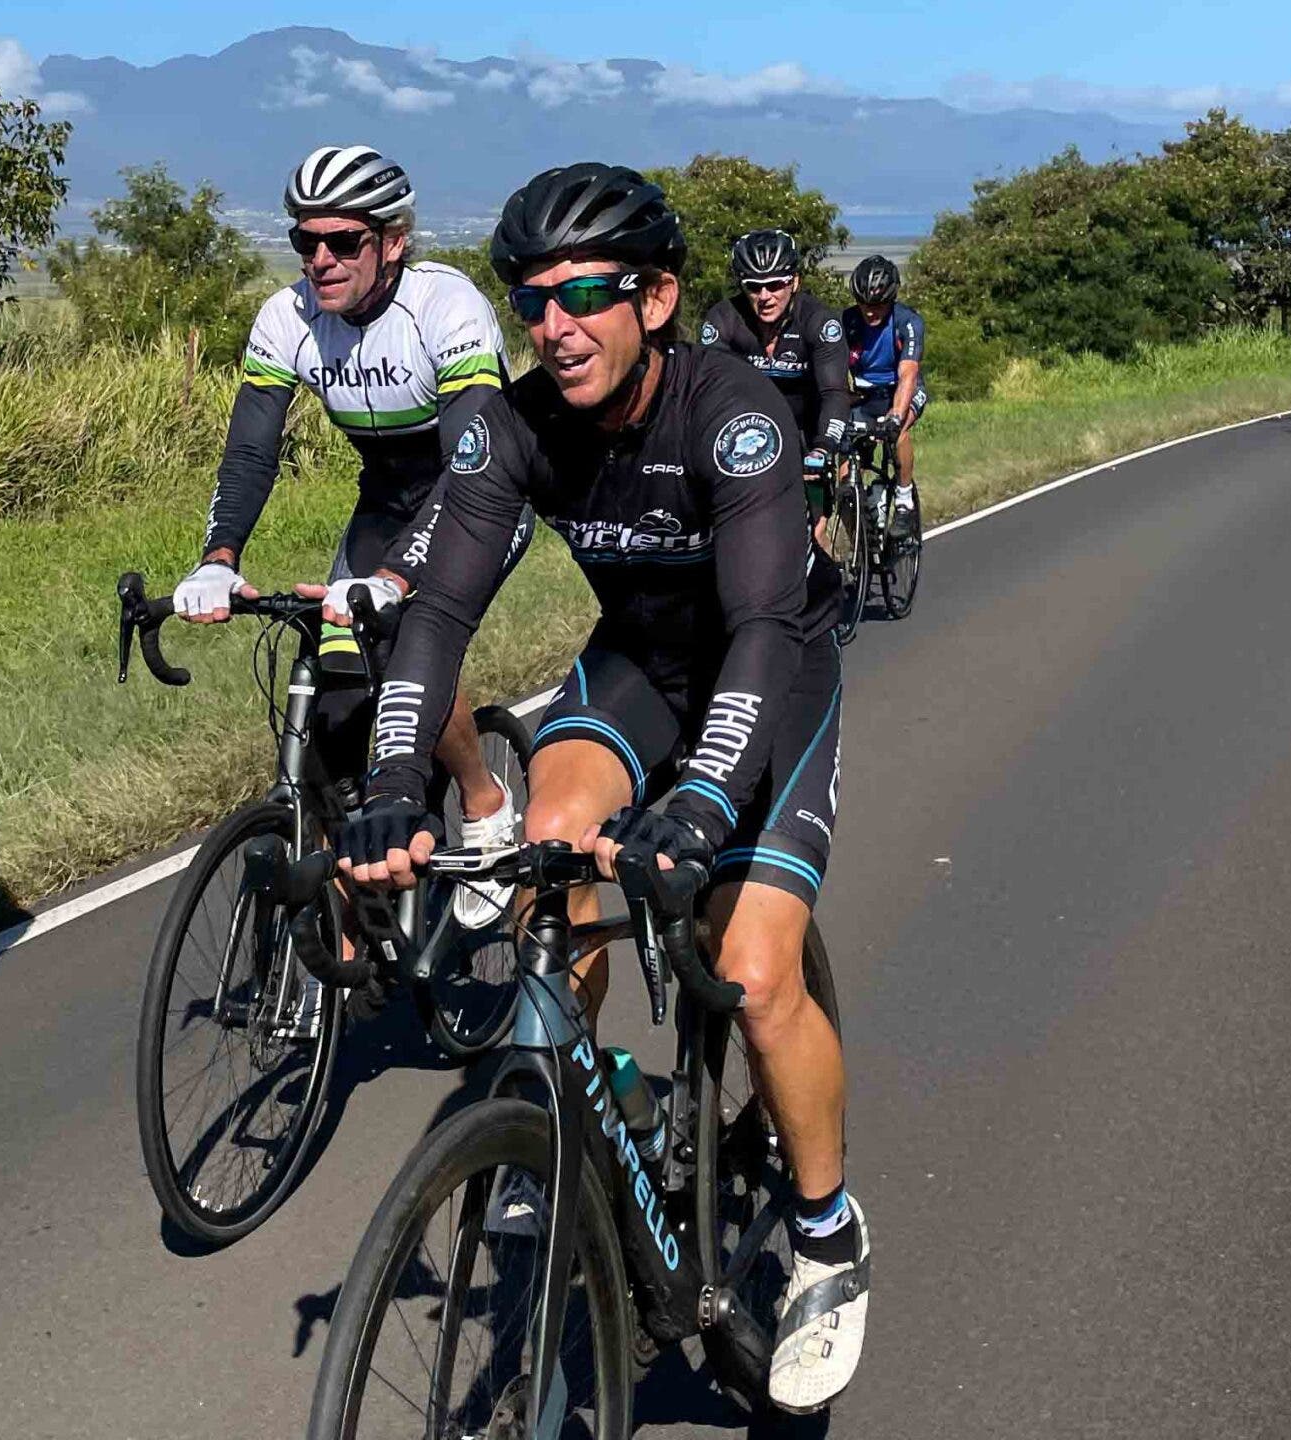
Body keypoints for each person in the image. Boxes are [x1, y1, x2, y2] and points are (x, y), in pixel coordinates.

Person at [334, 163, 869, 1414]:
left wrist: (696, 809)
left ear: (658, 299)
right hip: (634, 662)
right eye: (532, 301)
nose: (555, 326)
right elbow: (438, 614)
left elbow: (757, 629)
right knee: (551, 842)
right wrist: (395, 784)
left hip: (768, 665)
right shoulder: (513, 426)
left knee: (750, 966)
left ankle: (831, 1235)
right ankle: (568, 1106)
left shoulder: (731, 414)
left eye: (585, 296)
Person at [173, 143, 528, 928]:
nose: (322, 261)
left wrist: (397, 580)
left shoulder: (446, 306)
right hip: (383, 502)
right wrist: (217, 558)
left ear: (393, 242)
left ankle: (482, 799)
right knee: (336, 694)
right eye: (306, 242)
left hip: (476, 496)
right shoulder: (286, 317)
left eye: (344, 242)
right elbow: (250, 452)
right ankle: (351, 917)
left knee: (412, 645)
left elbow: (471, 468)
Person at [699, 229, 852, 523]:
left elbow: (834, 393)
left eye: (775, 285)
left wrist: (823, 447)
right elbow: (708, 394)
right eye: (754, 287)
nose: (765, 297)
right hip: (750, 429)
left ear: (794, 282)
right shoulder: (724, 319)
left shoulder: (818, 322)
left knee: (813, 525)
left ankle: (819, 552)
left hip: (809, 429)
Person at [844, 254, 926, 536]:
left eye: (877, 305)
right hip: (865, 394)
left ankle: (904, 502)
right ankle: (862, 535)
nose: (869, 312)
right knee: (845, 452)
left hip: (901, 391)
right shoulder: (847, 321)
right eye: (864, 304)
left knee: (897, 431)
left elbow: (908, 375)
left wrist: (895, 415)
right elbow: (830, 369)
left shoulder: (908, 322)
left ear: (891, 299)